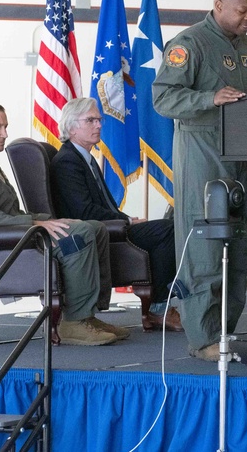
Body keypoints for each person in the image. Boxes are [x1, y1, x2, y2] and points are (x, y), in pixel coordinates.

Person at [152, 0, 247, 361]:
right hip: (202, 157)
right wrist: (209, 98)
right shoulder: (189, 45)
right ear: (219, 4)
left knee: (237, 248)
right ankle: (202, 338)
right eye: (242, 11)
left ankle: (225, 333)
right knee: (203, 250)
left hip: (243, 160)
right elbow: (163, 97)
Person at [0, 98, 128, 346]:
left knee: (95, 227)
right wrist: (34, 224)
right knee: (79, 235)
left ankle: (88, 314)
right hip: (10, 243)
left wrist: (41, 220)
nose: (5, 134)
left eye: (6, 127)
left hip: (18, 234)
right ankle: (73, 322)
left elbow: (3, 212)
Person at [49, 97, 183, 332]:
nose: (99, 125)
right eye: (91, 120)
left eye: (99, 119)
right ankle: (158, 309)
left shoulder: (85, 157)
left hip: (107, 227)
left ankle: (159, 306)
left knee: (168, 226)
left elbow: (103, 206)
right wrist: (128, 221)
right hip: (91, 234)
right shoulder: (67, 161)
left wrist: (127, 218)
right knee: (167, 230)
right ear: (71, 127)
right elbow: (84, 211)